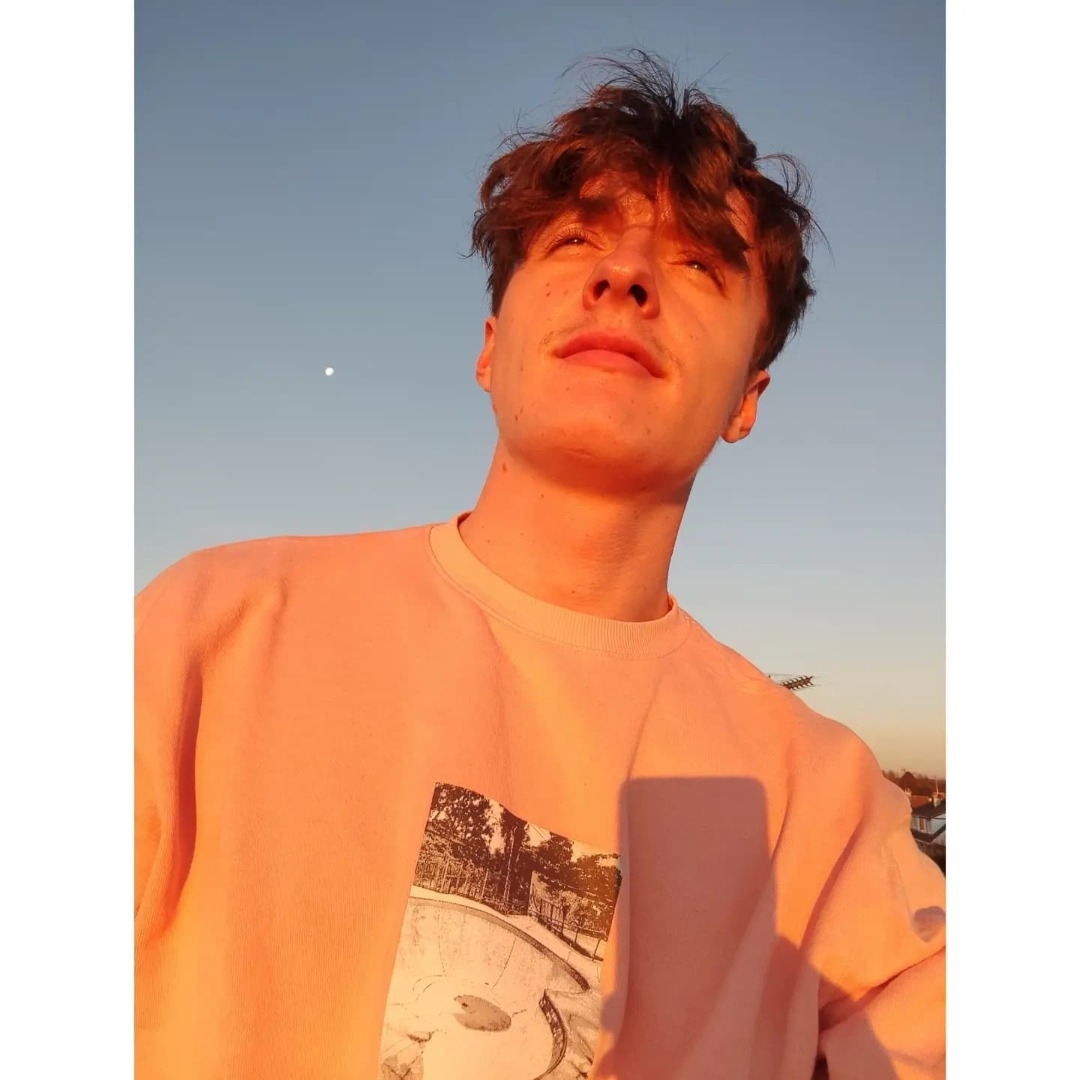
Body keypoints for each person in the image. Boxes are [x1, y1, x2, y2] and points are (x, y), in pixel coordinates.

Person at [135, 52, 944, 1080]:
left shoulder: (817, 803)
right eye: (574, 241)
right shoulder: (216, 632)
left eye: (699, 264)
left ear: (748, 396)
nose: (625, 276)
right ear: (488, 347)